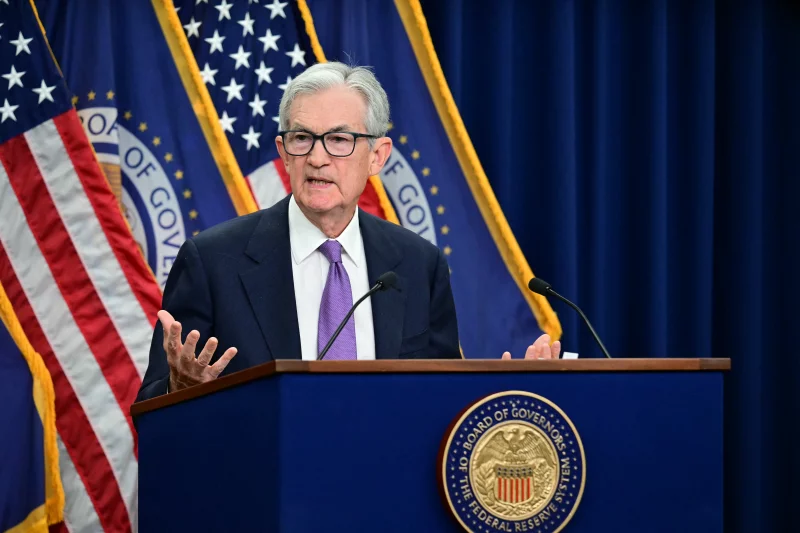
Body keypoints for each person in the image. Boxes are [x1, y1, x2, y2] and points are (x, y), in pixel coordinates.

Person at [136, 62, 559, 402]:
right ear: (284, 153)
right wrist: (181, 390)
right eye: (302, 138)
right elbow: (151, 404)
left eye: (339, 139)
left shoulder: (417, 265)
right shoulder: (212, 262)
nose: (318, 158)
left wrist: (518, 394)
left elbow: (438, 401)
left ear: (377, 156)